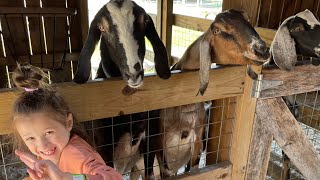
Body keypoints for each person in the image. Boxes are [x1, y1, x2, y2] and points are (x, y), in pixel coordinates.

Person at [11, 64, 123, 180]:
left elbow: (114, 177)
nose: (42, 145)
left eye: (49, 132)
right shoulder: (48, 153)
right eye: (30, 138)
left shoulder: (78, 155)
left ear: (68, 122)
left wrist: (68, 178)